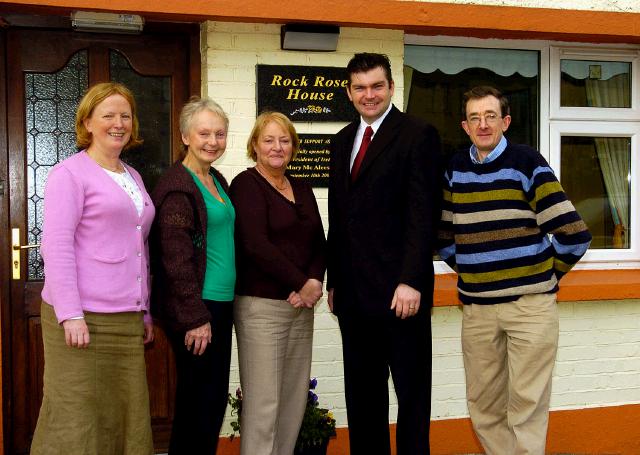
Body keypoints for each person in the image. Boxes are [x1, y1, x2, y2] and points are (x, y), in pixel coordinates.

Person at [438, 86, 592, 455]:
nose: (483, 124)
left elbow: (575, 234)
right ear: (464, 126)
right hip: (477, 310)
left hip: (529, 308)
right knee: (484, 406)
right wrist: (477, 271)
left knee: (526, 407)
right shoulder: (455, 170)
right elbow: (444, 238)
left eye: (491, 116)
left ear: (505, 122)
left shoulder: (527, 163)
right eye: (474, 117)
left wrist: (543, 276)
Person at [327, 53, 441, 455]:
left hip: (400, 296)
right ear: (349, 92)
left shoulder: (417, 134)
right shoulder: (341, 141)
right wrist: (334, 281)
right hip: (354, 299)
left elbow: (422, 212)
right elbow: (338, 217)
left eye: (377, 86)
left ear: (392, 87)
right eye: (360, 87)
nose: (369, 95)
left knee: (411, 398)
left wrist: (411, 279)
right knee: (363, 398)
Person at [32, 82, 155, 455]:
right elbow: (56, 246)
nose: (118, 123)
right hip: (81, 319)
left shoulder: (133, 176)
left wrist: (145, 310)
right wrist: (70, 314)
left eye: (125, 116)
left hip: (125, 318)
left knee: (125, 415)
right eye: (108, 115)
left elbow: (138, 246)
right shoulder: (69, 174)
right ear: (87, 122)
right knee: (76, 416)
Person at [229, 111, 326, 455]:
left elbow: (318, 241)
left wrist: (313, 282)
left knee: (292, 403)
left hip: (301, 309)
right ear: (254, 144)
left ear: (294, 147)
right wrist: (303, 283)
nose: (276, 147)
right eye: (268, 140)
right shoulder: (246, 184)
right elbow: (255, 244)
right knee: (264, 405)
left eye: (284, 140)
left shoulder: (300, 187)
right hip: (262, 308)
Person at [150, 97, 235, 454]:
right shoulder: (177, 187)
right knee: (198, 403)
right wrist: (195, 318)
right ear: (185, 135)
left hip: (221, 303)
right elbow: (175, 260)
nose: (212, 141)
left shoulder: (216, 179)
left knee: (211, 401)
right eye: (204, 133)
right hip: (199, 309)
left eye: (219, 133)